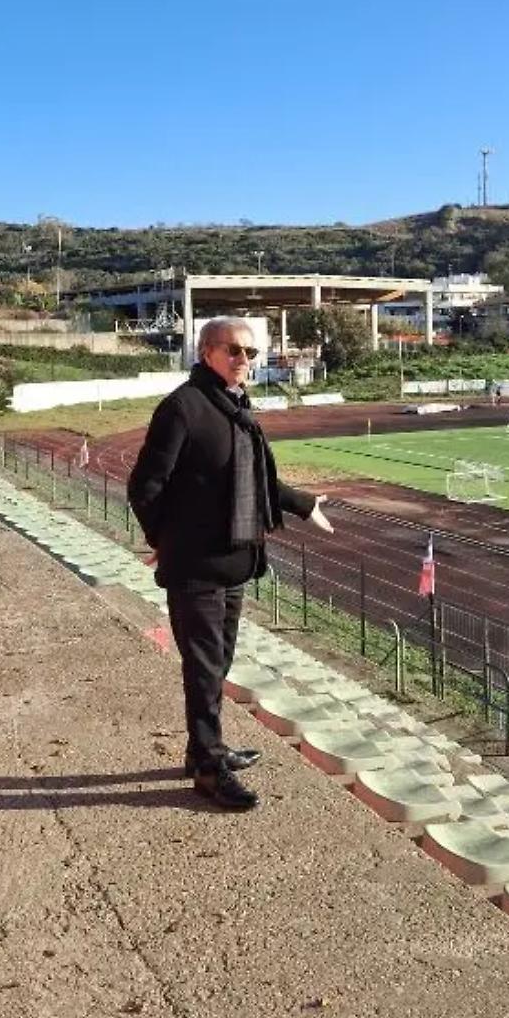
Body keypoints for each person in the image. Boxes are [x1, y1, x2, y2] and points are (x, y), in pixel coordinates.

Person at [128, 317, 333, 810]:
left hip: (235, 562)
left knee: (218, 661)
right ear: (207, 353)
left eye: (251, 352)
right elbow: (145, 485)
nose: (244, 360)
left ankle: (205, 748)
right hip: (196, 566)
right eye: (234, 351)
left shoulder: (235, 406)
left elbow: (255, 480)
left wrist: (304, 503)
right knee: (203, 668)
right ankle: (207, 767)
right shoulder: (183, 407)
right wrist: (164, 540)